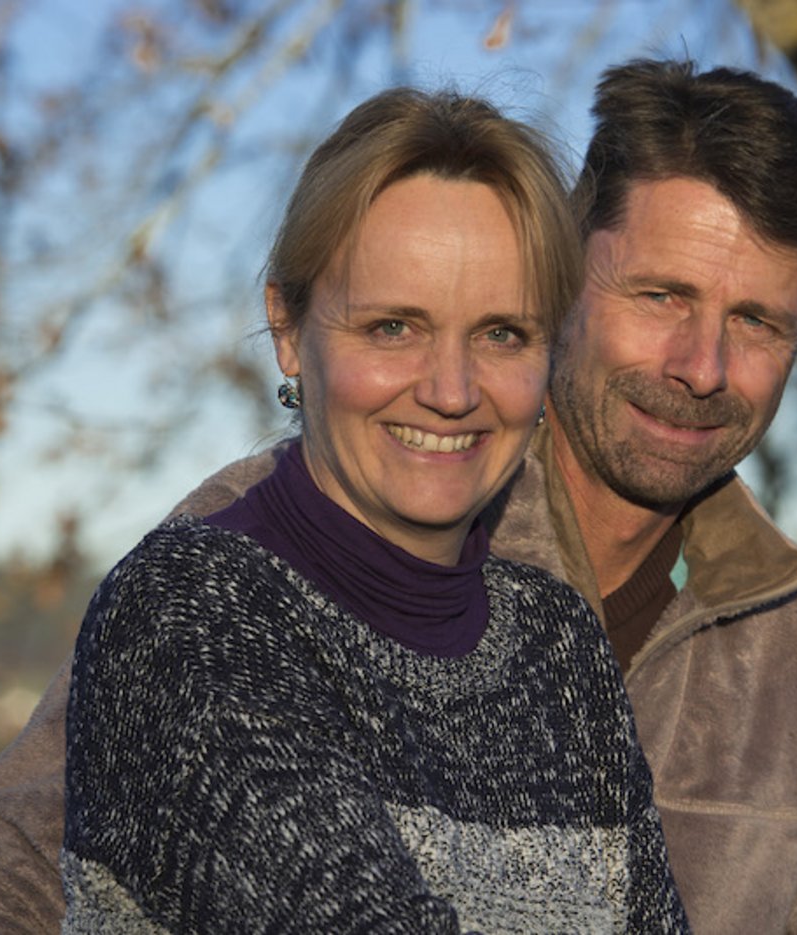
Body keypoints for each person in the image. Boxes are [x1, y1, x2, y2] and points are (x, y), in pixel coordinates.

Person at [0, 60, 797, 934]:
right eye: (662, 296)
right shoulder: (283, 532)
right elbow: (11, 869)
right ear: (564, 286)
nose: (702, 363)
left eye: (757, 322)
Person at [62, 87, 687, 933]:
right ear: (288, 326)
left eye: (503, 333)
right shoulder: (191, 613)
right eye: (395, 326)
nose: (452, 390)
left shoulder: (559, 647)